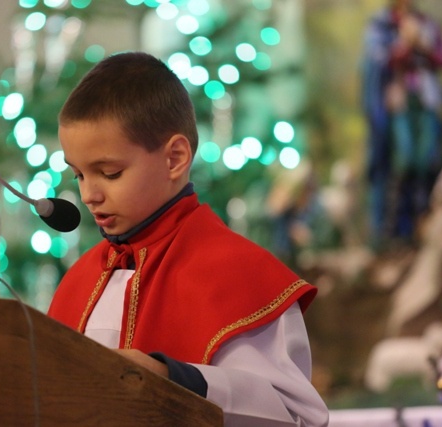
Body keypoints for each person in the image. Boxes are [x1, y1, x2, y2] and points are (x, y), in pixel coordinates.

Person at [47, 51, 329, 426]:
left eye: (109, 173)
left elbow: (296, 416)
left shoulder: (239, 273)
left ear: (174, 158)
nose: (88, 195)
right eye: (79, 175)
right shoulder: (81, 281)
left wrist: (174, 378)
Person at [362, 0, 442, 249]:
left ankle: (422, 223)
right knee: (403, 161)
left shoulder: (428, 24)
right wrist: (404, 43)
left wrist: (421, 44)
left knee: (427, 162)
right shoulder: (381, 25)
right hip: (396, 104)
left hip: (426, 100)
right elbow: (380, 61)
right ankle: (395, 230)